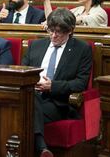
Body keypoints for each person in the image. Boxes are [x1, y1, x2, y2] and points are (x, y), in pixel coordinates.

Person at [22, 8, 92, 157]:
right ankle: (41, 149)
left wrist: (52, 86)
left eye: (59, 32)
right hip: (31, 95)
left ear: (70, 30)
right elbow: (22, 72)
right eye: (50, 30)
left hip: (57, 103)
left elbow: (80, 83)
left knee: (25, 111)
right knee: (28, 103)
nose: (53, 35)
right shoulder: (36, 45)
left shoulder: (82, 49)